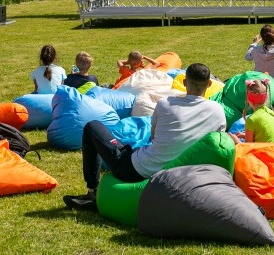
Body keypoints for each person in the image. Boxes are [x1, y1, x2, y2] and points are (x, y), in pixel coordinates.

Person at [63, 63, 226, 211]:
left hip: (138, 171)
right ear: (210, 84)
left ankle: (93, 192)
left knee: (93, 127)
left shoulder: (166, 103)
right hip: (186, 175)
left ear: (184, 82)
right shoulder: (218, 111)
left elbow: (153, 137)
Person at [241, 78, 274, 143]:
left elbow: (247, 147)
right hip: (273, 150)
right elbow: (264, 137)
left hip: (260, 152)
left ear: (248, 98)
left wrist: (236, 140)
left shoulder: (251, 120)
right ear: (266, 98)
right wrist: (245, 136)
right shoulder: (271, 112)